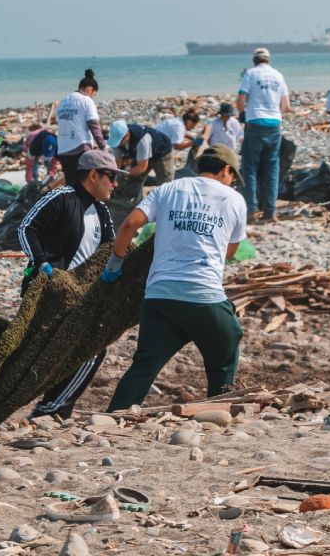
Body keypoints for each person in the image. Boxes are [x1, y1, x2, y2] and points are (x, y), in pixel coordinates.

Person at [101, 144, 247, 412]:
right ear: (226, 170)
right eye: (232, 176)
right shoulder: (233, 199)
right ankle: (218, 409)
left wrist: (115, 263)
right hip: (204, 297)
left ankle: (115, 415)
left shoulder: (167, 189)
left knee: (144, 365)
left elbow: (131, 224)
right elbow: (230, 252)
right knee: (227, 346)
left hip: (160, 297)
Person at [17, 150, 124, 418]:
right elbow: (26, 229)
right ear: (93, 175)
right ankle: (52, 408)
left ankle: (52, 407)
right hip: (49, 292)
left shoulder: (102, 211)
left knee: (89, 349)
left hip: (80, 297)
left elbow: (110, 248)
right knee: (87, 351)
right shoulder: (60, 198)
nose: (115, 184)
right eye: (111, 177)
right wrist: (42, 264)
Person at [236, 47, 291, 223]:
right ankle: (270, 211)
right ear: (268, 60)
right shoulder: (278, 75)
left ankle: (251, 211)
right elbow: (286, 106)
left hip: (255, 124)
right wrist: (276, 113)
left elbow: (240, 100)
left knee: (249, 168)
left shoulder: (250, 74)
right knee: (272, 170)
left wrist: (242, 112)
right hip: (274, 125)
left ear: (254, 60)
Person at [106, 119, 174, 226]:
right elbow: (117, 164)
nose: (117, 144)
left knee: (166, 183)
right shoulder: (117, 143)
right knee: (134, 181)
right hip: (139, 154)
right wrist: (114, 178)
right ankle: (137, 206)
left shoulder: (142, 139)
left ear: (127, 135)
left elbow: (142, 167)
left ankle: (168, 211)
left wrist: (126, 173)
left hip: (160, 152)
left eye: (119, 141)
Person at [55, 69, 107, 184]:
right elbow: (94, 125)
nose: (93, 97)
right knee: (85, 184)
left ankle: (71, 202)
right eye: (94, 94)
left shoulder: (63, 101)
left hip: (63, 149)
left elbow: (59, 120)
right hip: (80, 148)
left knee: (71, 183)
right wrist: (103, 146)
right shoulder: (86, 101)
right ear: (90, 89)